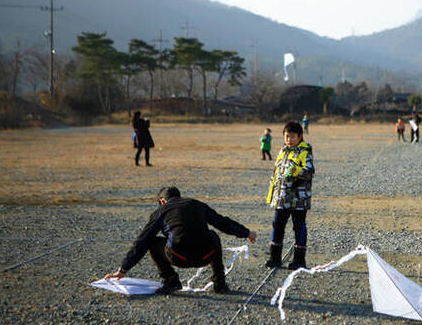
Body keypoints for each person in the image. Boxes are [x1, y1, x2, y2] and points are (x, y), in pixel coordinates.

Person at [103, 187, 258, 295]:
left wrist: (123, 269)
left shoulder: (161, 211)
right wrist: (247, 233)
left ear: (163, 201)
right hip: (206, 255)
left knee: (152, 241)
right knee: (214, 236)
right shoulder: (197, 204)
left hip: (179, 257)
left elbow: (142, 240)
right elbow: (222, 222)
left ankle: (171, 280)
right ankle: (220, 283)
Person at [265, 122, 314, 270]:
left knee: (299, 228)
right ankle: (275, 258)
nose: (289, 139)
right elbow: (276, 175)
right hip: (281, 199)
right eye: (287, 136)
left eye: (293, 136)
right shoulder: (282, 151)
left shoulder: (305, 151)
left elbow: (309, 171)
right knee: (277, 226)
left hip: (299, 200)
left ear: (300, 136)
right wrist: (272, 194)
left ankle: (299, 260)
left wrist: (296, 171)